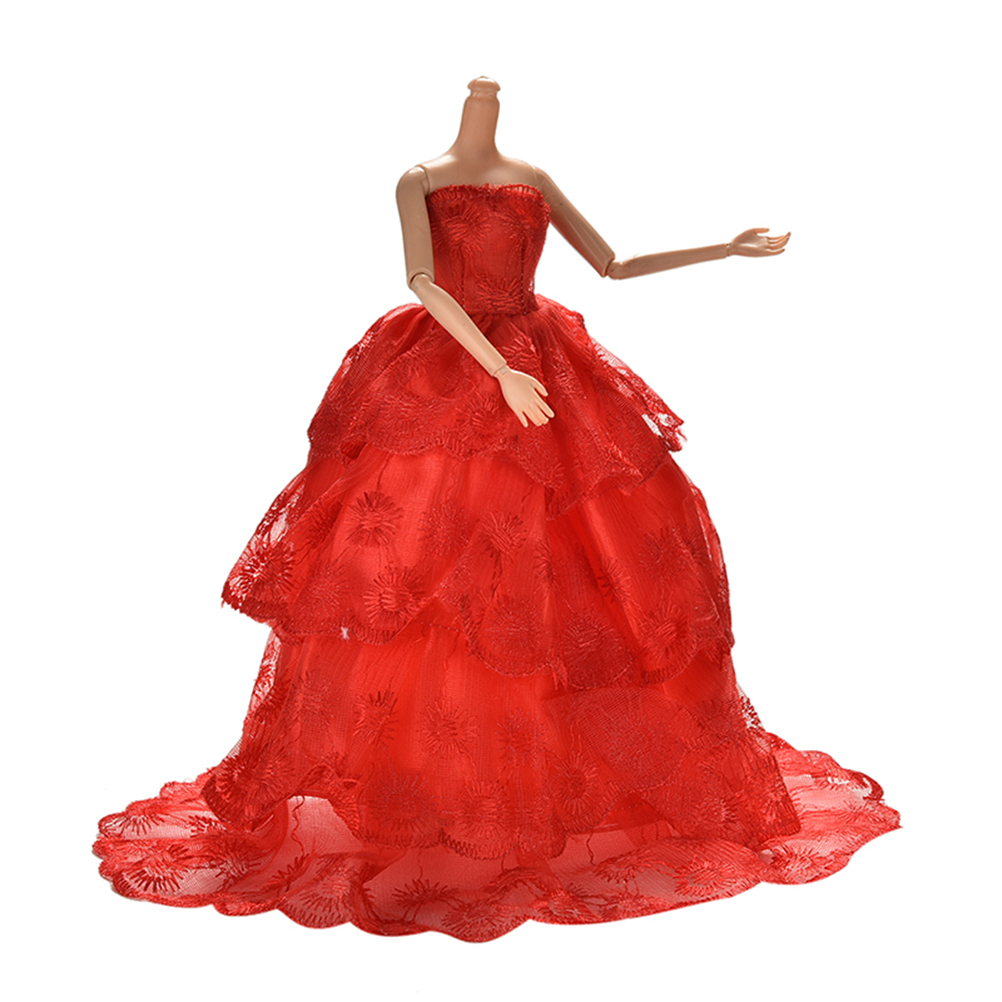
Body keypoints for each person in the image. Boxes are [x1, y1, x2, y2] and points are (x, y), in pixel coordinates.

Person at [93, 77, 900, 943]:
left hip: (544, 365)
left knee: (577, 566)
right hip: (459, 364)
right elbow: (421, 280)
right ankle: (436, 789)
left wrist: (724, 249)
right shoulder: (420, 179)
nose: (490, 95)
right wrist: (499, 370)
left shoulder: (532, 177)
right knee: (426, 571)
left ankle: (551, 781)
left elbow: (612, 264)